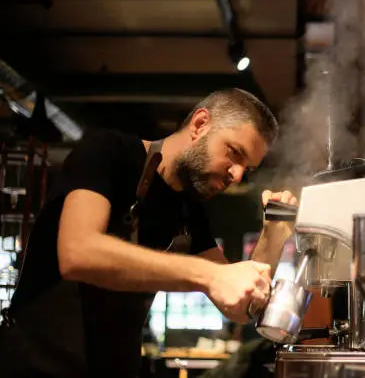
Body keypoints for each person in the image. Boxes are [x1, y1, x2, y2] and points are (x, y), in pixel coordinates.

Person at [0, 88, 298, 378]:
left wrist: (274, 234)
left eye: (248, 167)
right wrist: (208, 275)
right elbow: (78, 253)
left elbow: (239, 308)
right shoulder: (110, 152)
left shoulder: (188, 209)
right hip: (38, 365)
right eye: (234, 153)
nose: (237, 175)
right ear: (200, 124)